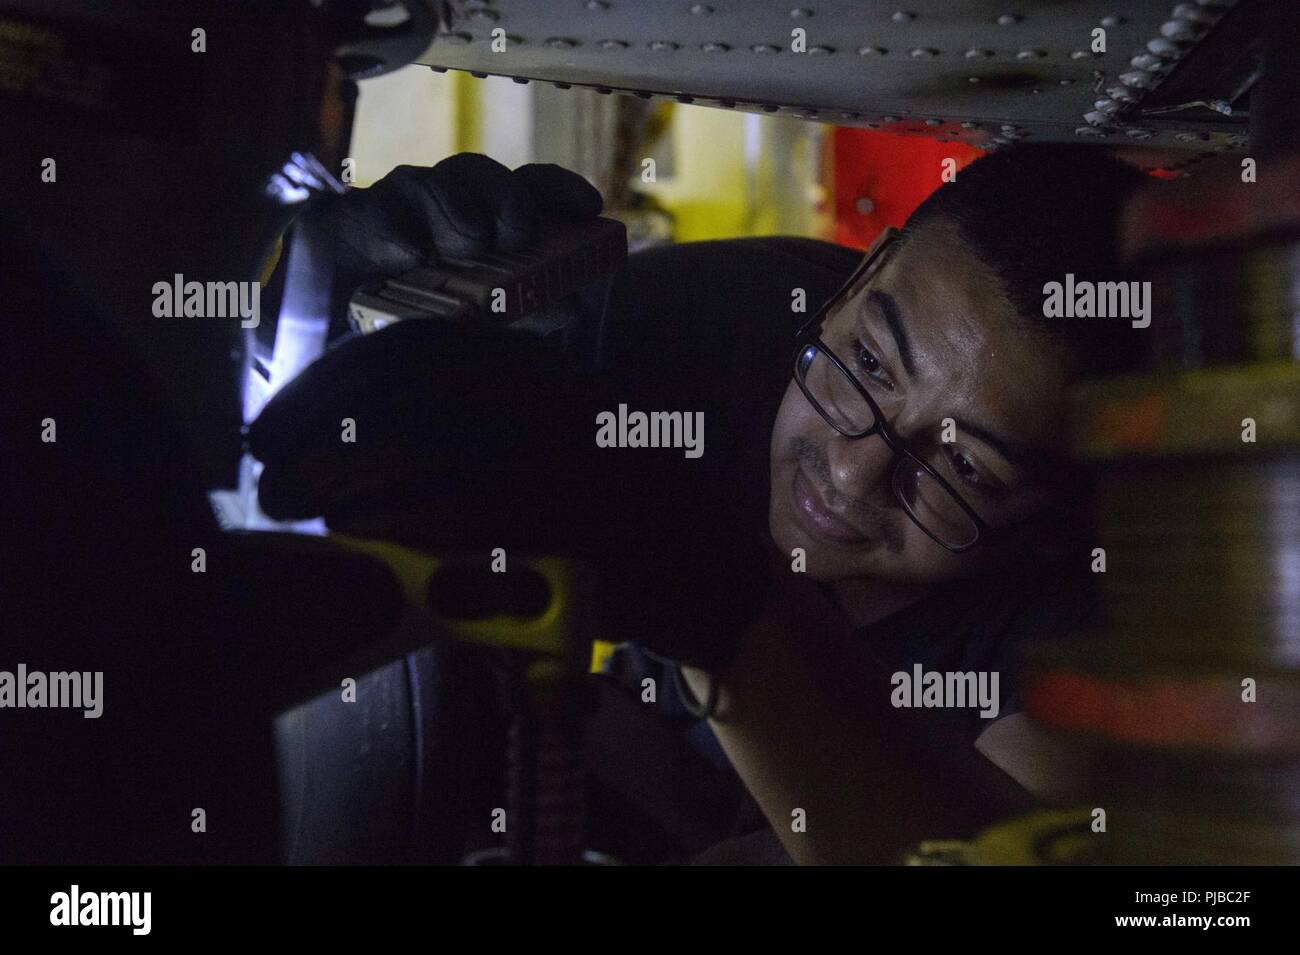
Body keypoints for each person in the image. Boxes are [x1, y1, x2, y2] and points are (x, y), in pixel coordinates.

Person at [249, 145, 1148, 864]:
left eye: (966, 471)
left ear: (1071, 518)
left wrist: (725, 598)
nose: (853, 468)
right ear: (853, 281)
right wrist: (308, 304)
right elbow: (334, 432)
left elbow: (980, 853)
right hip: (652, 760)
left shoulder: (1112, 632)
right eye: (869, 365)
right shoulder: (703, 328)